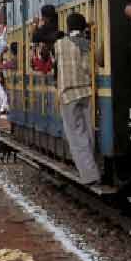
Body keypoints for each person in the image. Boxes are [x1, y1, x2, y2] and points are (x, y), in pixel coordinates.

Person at [56, 13, 101, 185]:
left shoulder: (59, 44)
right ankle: (93, 169)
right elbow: (93, 65)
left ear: (67, 27)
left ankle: (90, 176)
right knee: (88, 132)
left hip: (68, 95)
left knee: (76, 135)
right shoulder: (89, 44)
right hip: (87, 92)